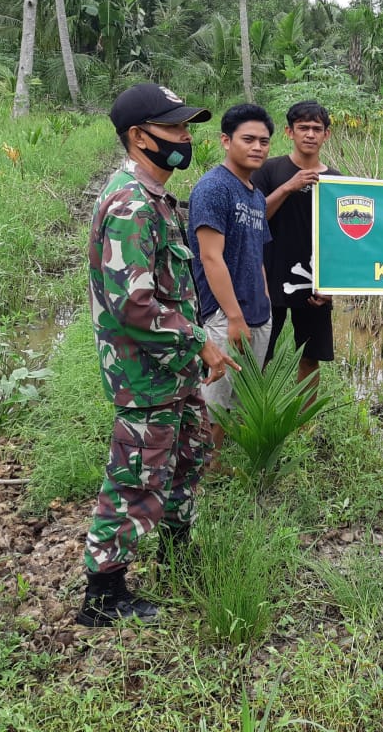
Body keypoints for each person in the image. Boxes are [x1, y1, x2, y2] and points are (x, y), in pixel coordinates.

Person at [78, 83, 239, 628]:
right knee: (135, 476)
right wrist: (200, 341)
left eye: (185, 127)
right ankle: (104, 593)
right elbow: (134, 304)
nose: (183, 138)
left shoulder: (159, 199)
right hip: (146, 374)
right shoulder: (130, 204)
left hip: (173, 371)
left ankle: (174, 548)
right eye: (172, 129)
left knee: (188, 454)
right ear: (137, 136)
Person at [188, 104, 274, 468]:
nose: (257, 147)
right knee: (215, 400)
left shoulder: (254, 194)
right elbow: (211, 258)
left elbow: (257, 256)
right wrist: (234, 316)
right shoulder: (213, 188)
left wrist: (265, 302)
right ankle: (202, 475)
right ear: (226, 141)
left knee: (240, 399)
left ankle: (219, 467)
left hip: (257, 313)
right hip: (226, 315)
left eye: (264, 141)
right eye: (248, 139)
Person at [252, 100, 339, 393]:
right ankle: (250, 417)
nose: (310, 134)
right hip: (269, 276)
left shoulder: (337, 181)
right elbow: (254, 217)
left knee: (311, 357)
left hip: (314, 281)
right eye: (303, 128)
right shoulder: (269, 170)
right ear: (289, 132)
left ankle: (304, 424)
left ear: (327, 134)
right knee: (259, 354)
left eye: (317, 129)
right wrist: (289, 186)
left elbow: (343, 241)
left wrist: (332, 285)